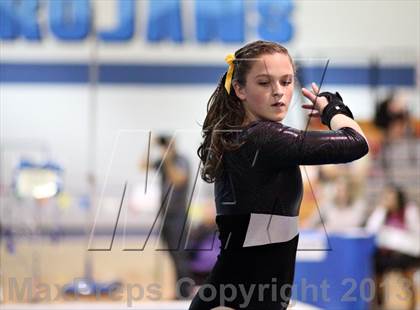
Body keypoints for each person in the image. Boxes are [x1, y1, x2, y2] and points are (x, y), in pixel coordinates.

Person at [188, 40, 369, 309]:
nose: (278, 92)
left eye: (286, 82)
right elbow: (357, 142)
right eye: (264, 83)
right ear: (239, 88)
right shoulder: (262, 138)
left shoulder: (240, 136)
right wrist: (333, 110)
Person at [139, 134, 193, 299]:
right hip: (165, 216)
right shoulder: (162, 162)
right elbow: (142, 166)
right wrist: (149, 145)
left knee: (180, 255)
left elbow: (178, 179)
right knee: (172, 255)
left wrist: (168, 159)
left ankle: (185, 294)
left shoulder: (182, 160)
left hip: (179, 216)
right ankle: (179, 293)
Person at [365, 184, 420, 310]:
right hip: (386, 254)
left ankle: (412, 304)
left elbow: (417, 235)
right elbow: (370, 230)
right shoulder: (383, 212)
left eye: (391, 197)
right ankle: (378, 303)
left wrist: (396, 238)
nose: (389, 200)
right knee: (373, 264)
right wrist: (382, 210)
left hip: (407, 254)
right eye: (386, 197)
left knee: (405, 267)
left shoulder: (409, 210)